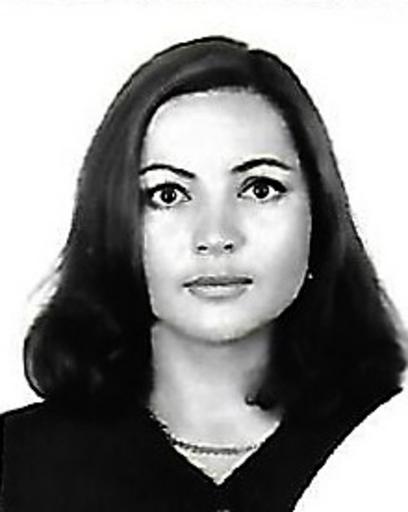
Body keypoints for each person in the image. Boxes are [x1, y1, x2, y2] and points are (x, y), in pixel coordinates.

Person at [0, 35, 406, 512]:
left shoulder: (390, 452)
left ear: (320, 214)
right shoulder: (16, 466)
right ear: (112, 220)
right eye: (168, 195)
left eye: (259, 188)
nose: (216, 235)